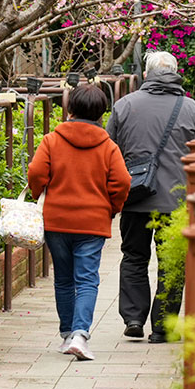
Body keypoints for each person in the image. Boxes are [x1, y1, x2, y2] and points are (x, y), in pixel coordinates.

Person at [28, 83, 130, 361]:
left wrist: (41, 195)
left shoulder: (52, 139)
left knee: (62, 279)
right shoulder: (108, 146)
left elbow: (37, 172)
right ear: (101, 112)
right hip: (92, 222)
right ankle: (80, 334)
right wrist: (111, 208)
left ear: (69, 108)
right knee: (86, 279)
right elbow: (122, 182)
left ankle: (66, 335)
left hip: (56, 220)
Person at [107, 51, 195, 343]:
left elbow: (109, 150)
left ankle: (134, 317)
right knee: (171, 263)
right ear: (175, 72)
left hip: (135, 196)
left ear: (146, 75)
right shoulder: (191, 108)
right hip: (176, 199)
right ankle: (163, 327)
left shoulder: (125, 106)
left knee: (134, 256)